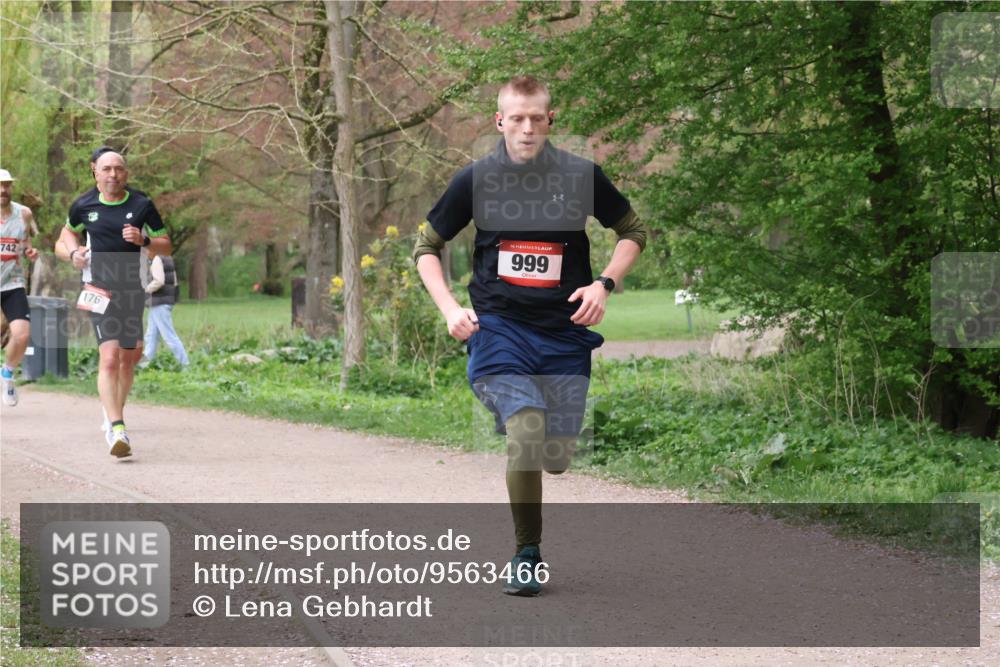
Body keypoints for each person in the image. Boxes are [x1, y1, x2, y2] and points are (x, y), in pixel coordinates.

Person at [414, 75, 647, 596]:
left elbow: (634, 232)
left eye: (535, 118)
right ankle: (527, 554)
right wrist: (450, 307)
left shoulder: (581, 176)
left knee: (557, 457)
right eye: (515, 118)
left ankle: (536, 434)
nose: (525, 128)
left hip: (564, 333)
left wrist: (604, 284)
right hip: (499, 329)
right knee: (526, 431)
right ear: (499, 121)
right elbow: (426, 248)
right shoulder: (474, 180)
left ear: (550, 121)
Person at [56, 151, 171, 458]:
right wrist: (73, 253)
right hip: (96, 289)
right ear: (96, 173)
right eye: (106, 169)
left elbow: (166, 244)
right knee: (109, 357)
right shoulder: (84, 205)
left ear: (126, 174)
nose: (113, 175)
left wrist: (144, 242)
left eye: (119, 169)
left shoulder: (141, 205)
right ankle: (117, 427)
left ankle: (112, 409)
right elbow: (65, 234)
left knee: (129, 357)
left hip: (132, 289)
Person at [0, 169, 40, 407]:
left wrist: (29, 251)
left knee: (22, 334)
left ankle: (7, 373)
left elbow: (26, 242)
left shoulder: (23, 214)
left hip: (12, 284)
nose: (3, 190)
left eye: (7, 186)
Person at [139, 248, 189, 368]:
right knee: (151, 335)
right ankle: (143, 365)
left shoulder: (157, 259)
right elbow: (175, 282)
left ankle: (185, 364)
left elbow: (159, 281)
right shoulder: (167, 257)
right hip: (163, 301)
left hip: (160, 302)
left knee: (169, 336)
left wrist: (144, 291)